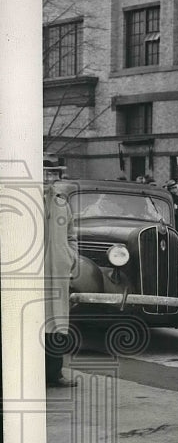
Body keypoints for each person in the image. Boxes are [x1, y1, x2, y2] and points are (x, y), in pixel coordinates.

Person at [43, 162, 79, 388]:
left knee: (56, 323)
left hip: (58, 273)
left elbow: (71, 234)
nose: (49, 177)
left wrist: (71, 257)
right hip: (33, 274)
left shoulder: (61, 203)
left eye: (53, 173)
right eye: (45, 172)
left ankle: (54, 373)